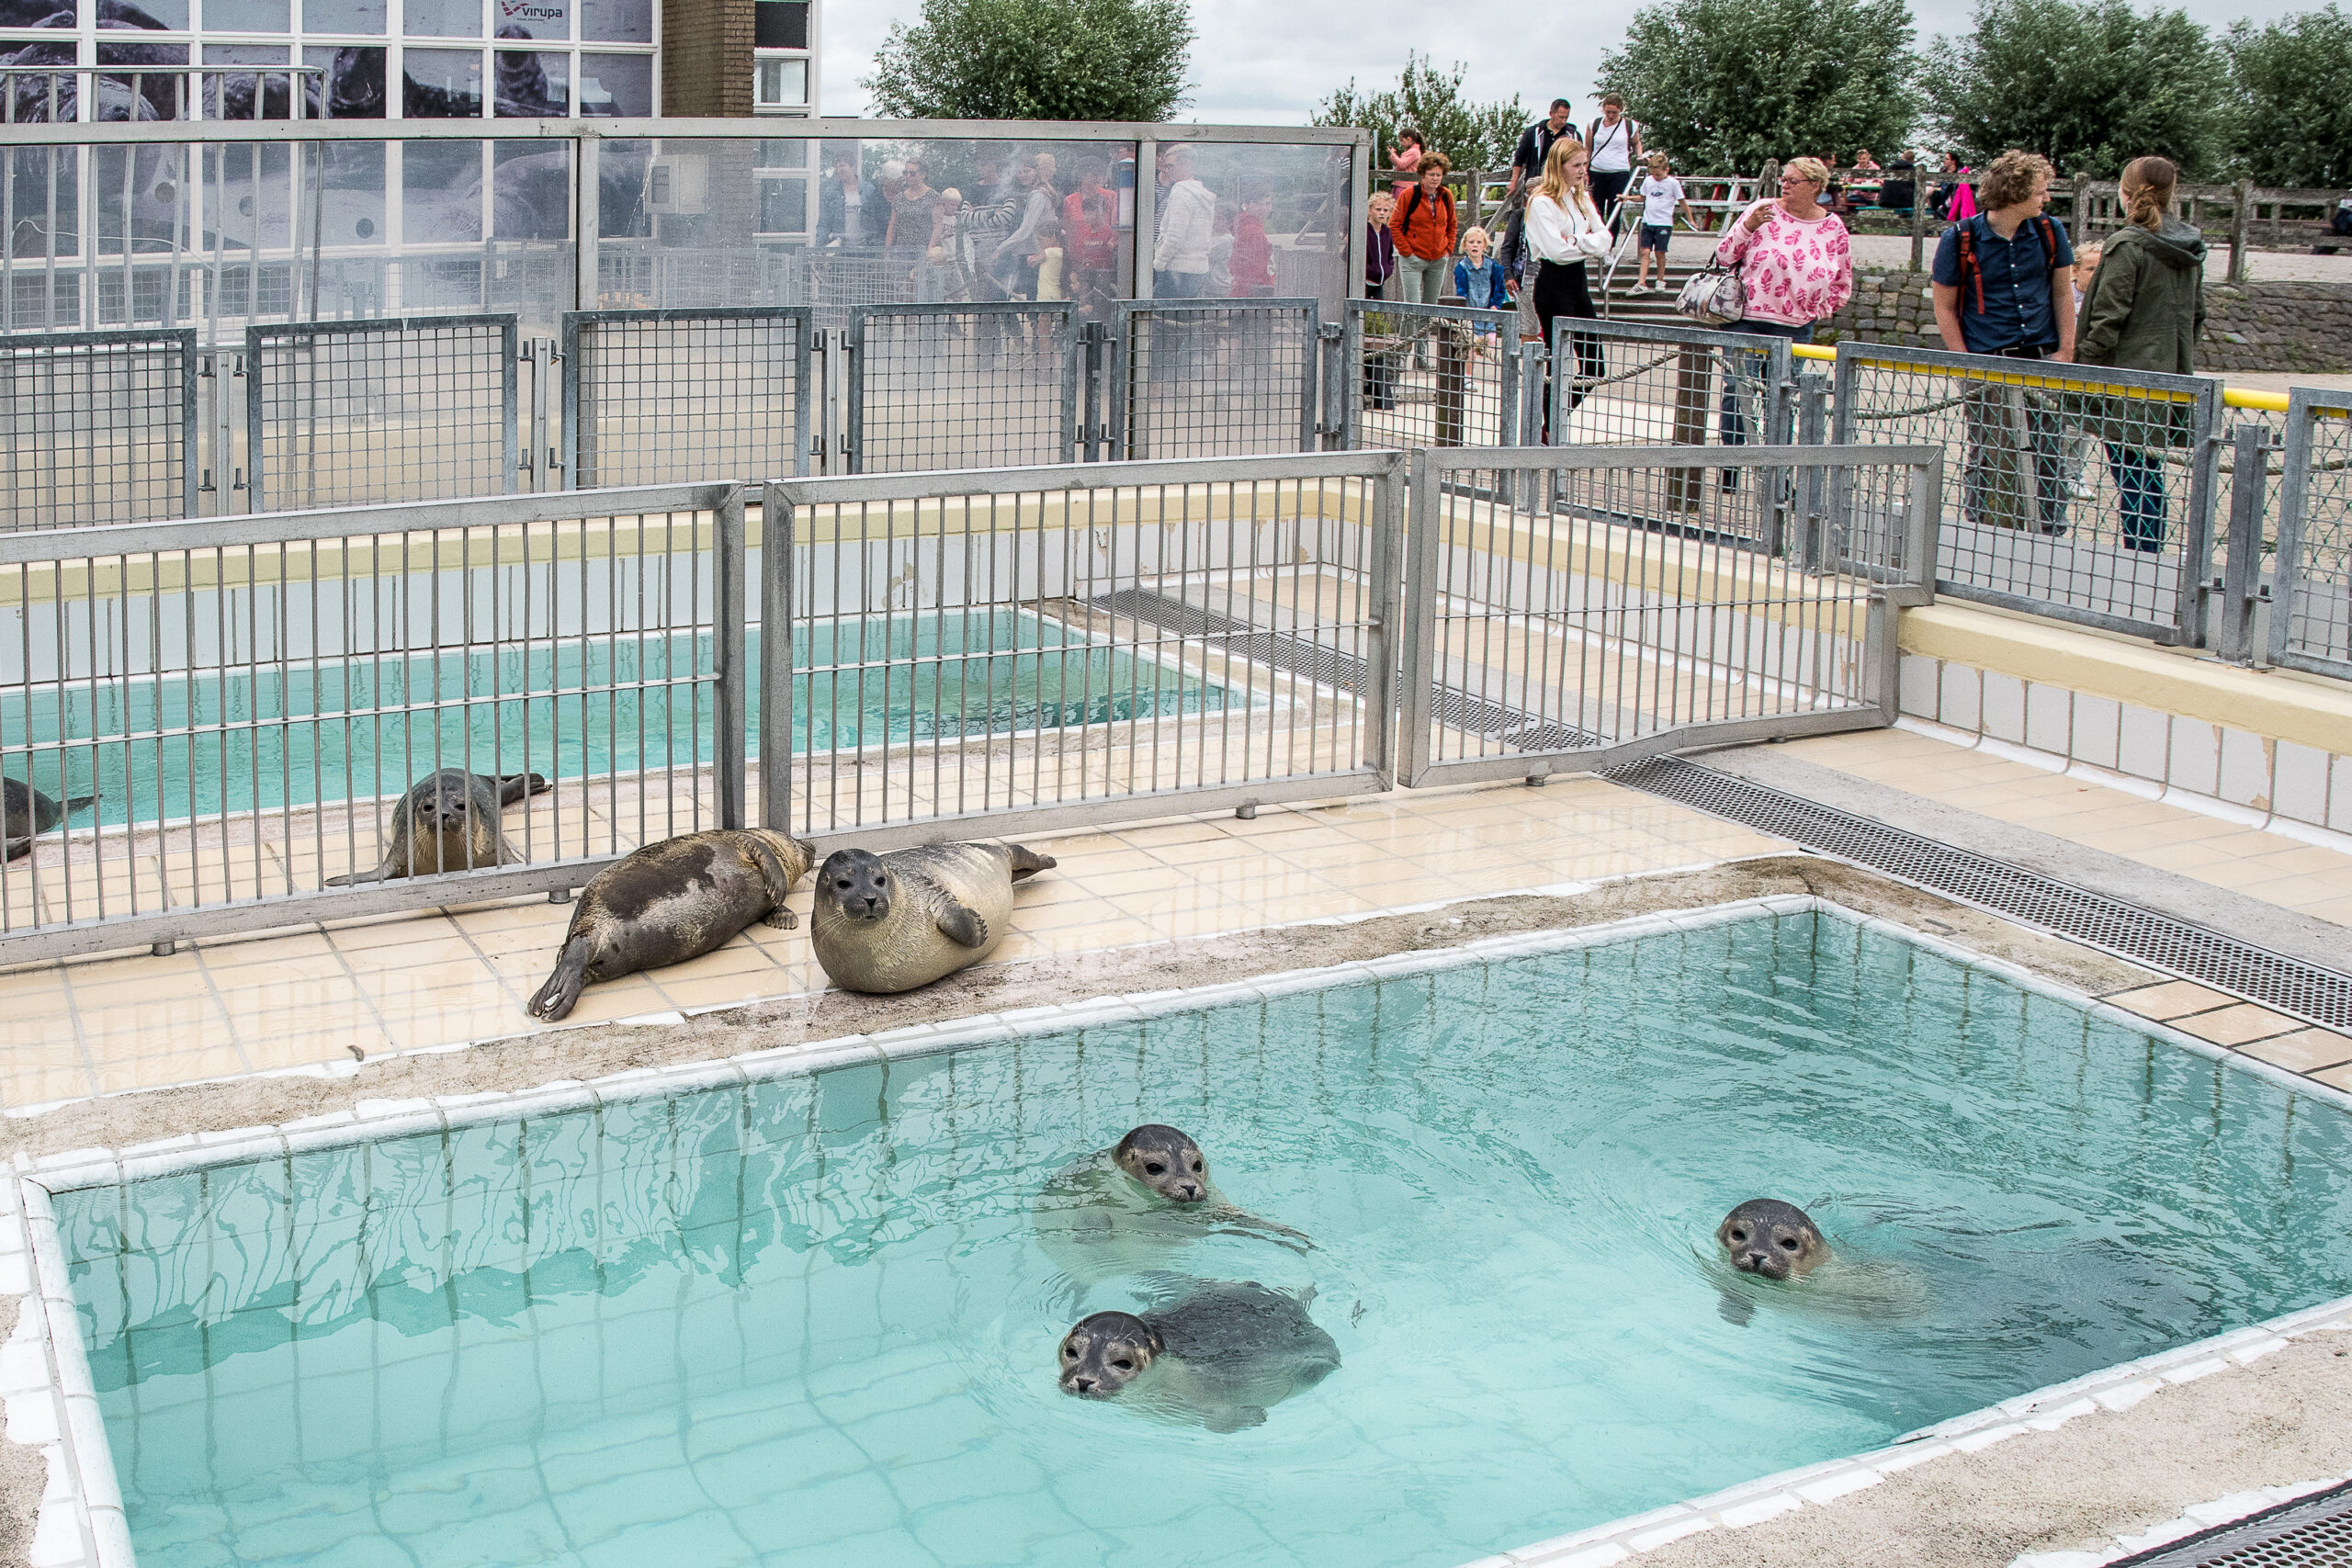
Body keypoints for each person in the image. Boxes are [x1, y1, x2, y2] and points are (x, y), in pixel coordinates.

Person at [1932, 149, 2077, 536]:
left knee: (2049, 448)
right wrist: (1963, 360)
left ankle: (2049, 530)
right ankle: (1983, 527)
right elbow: (1944, 305)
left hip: (2040, 356)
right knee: (1989, 448)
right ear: (2017, 193)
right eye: (2041, 191)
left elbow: (2063, 293)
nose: (2046, 198)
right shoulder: (1960, 238)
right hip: (1987, 358)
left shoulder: (2050, 231)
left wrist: (2066, 350)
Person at [2075, 155, 2207, 551]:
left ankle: (2142, 558)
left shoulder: (2127, 244)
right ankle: (2147, 553)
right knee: (2146, 472)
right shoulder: (2189, 246)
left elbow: (2107, 317)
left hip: (2125, 377)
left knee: (2133, 473)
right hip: (2170, 371)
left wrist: (2083, 366)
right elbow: (2197, 313)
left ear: (2125, 192)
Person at [1712, 154, 1853, 467]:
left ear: (1815, 186)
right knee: (1739, 389)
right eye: (1784, 179)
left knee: (1782, 396)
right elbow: (1723, 256)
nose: (1785, 185)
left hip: (1795, 324)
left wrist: (1826, 305)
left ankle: (1777, 468)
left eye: (1793, 180)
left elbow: (1843, 273)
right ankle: (1732, 462)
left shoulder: (1832, 226)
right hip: (1746, 318)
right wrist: (1748, 226)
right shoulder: (1763, 210)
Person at [1525, 137, 1611, 434]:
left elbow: (1605, 239)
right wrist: (1586, 244)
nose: (1582, 171)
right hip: (1552, 282)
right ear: (1559, 166)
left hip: (1579, 281)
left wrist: (1576, 241)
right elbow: (1555, 251)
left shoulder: (1581, 198)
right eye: (1576, 165)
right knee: (1557, 364)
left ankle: (1554, 421)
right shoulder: (1541, 202)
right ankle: (1548, 428)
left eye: (1584, 164)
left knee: (1594, 366)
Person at [1392, 152, 1458, 367]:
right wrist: (1406, 251)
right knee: (1412, 307)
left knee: (1429, 310)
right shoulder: (1409, 195)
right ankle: (1400, 354)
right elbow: (1395, 224)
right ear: (1422, 174)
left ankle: (1421, 357)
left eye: (1438, 175)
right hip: (1413, 258)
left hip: (1438, 258)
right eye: (1431, 174)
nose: (1435, 178)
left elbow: (1452, 225)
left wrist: (1448, 249)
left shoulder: (1446, 196)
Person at [1150, 144, 1215, 299]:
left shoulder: (1181, 191)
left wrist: (1159, 262)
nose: (1167, 170)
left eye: (1171, 166)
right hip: (1198, 267)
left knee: (1164, 319)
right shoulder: (1201, 193)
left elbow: (1175, 235)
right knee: (1186, 317)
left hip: (1177, 266)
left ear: (1186, 163)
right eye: (1165, 166)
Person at [1629, 151, 1692, 295]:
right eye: (1653, 174)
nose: (1656, 177)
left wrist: (1690, 218)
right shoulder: (1648, 181)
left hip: (1663, 222)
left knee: (1659, 252)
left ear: (1666, 170)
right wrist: (1627, 198)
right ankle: (1641, 282)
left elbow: (1682, 202)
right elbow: (1642, 197)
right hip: (1648, 221)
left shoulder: (1673, 184)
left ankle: (1660, 280)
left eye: (1658, 174)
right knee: (1644, 251)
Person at [1586, 92, 1643, 234]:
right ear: (1603, 109)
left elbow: (1636, 143)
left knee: (1615, 209)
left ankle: (1610, 244)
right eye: (1608, 112)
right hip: (1597, 170)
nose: (1611, 115)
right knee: (1594, 209)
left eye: (1614, 113)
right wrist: (1585, 171)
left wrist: (1640, 156)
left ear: (1620, 110)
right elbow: (1588, 148)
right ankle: (1595, 240)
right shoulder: (1594, 124)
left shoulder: (1629, 125)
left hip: (1619, 171)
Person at [1454, 225, 1509, 354]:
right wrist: (1463, 315)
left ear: (1484, 246)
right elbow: (1461, 291)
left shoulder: (1493, 266)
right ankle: (1468, 374)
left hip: (1488, 314)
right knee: (1469, 351)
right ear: (1465, 246)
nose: (1475, 245)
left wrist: (1496, 305)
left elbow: (1500, 288)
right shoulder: (1461, 268)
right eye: (1471, 242)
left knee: (1490, 347)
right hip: (1470, 315)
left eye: (1479, 242)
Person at [1510, 99, 1578, 199]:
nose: (1563, 121)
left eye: (1566, 118)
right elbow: (1519, 159)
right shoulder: (1533, 133)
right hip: (1537, 184)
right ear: (1551, 114)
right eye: (1560, 117)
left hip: (1562, 185)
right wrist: (1513, 182)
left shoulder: (1573, 136)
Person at [817, 150, 884, 249]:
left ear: (853, 167)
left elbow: (878, 221)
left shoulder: (868, 189)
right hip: (839, 251)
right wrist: (819, 247)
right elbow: (823, 224)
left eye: (842, 165)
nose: (838, 170)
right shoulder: (830, 192)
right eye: (836, 166)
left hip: (865, 250)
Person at [1230, 186, 1276, 297]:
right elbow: (1252, 266)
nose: (1264, 208)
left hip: (1246, 287)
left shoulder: (1245, 223)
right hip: (1253, 290)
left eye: (1268, 204)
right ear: (1247, 205)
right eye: (1259, 204)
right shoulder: (1251, 230)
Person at [1363, 189, 1398, 299]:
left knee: (1378, 313)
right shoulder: (1363, 230)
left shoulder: (1387, 232)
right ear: (1370, 210)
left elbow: (1389, 255)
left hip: (1379, 283)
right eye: (1378, 209)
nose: (1382, 213)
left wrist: (1388, 269)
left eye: (1385, 210)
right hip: (1364, 282)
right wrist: (1368, 270)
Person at [1388, 129, 1424, 196]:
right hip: (1400, 184)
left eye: (1402, 140)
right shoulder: (1410, 151)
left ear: (1408, 139)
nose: (1401, 143)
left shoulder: (1414, 152)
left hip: (1405, 186)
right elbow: (1399, 165)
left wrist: (1393, 154)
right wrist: (1393, 156)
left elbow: (1402, 164)